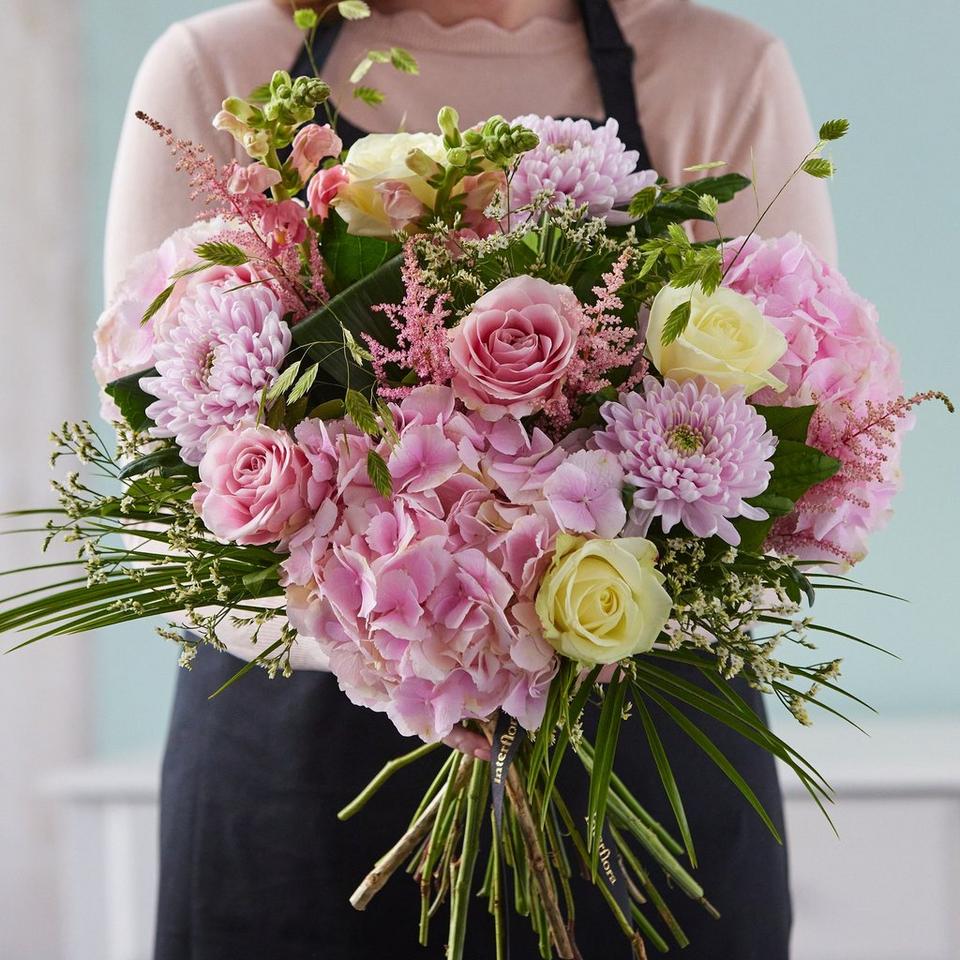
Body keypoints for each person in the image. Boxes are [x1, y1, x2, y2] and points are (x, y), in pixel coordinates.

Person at [104, 2, 836, 958]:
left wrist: (533, 627)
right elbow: (160, 481)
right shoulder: (217, 66)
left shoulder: (720, 69)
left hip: (639, 762)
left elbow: (800, 437)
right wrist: (426, 651)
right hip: (297, 773)